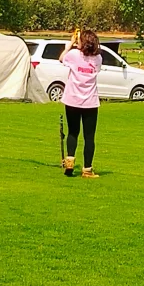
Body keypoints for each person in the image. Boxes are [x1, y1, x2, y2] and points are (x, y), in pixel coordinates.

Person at [61, 28, 102, 178]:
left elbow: (62, 58)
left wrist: (70, 44)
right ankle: (87, 169)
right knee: (89, 137)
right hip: (90, 102)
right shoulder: (98, 59)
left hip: (72, 100)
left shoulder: (73, 55)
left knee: (73, 132)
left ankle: (70, 160)